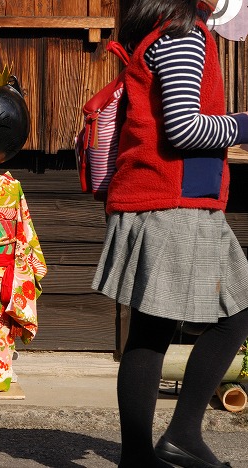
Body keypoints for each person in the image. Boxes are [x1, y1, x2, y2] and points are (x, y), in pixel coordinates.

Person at [92, 1, 248, 466]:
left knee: (158, 327)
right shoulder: (183, 33)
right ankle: (171, 442)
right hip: (172, 201)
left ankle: (153, 451)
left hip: (170, 198)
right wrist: (245, 124)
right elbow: (184, 129)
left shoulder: (165, 29)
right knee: (226, 315)